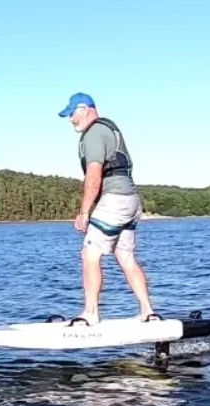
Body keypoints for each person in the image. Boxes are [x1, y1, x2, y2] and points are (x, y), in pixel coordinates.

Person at [58, 92, 155, 325]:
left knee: (89, 254)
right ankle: (148, 312)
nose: (71, 119)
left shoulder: (93, 134)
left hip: (114, 200)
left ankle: (91, 314)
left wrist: (84, 211)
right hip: (131, 200)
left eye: (73, 113)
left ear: (85, 109)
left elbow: (94, 176)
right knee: (126, 256)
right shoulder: (110, 129)